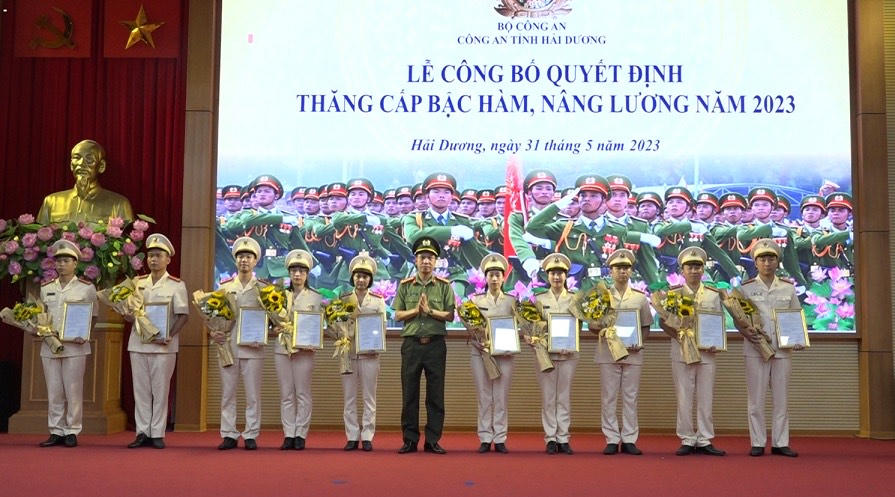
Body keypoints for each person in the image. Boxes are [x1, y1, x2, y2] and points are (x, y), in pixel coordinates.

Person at [735, 239, 803, 457]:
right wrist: (748, 333)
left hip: (783, 350)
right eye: (762, 259)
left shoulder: (788, 288)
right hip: (755, 350)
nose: (767, 263)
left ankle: (781, 442)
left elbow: (795, 315)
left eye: (771, 259)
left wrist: (798, 339)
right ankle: (757, 441)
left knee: (781, 399)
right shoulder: (745, 289)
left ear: (777, 261)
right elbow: (739, 319)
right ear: (756, 263)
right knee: (756, 399)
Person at [393, 236, 456, 454]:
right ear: (416, 260)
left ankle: (432, 440)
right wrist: (416, 311)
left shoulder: (444, 286)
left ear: (436, 261)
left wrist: (430, 311)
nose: (426, 261)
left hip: (435, 345)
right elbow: (397, 314)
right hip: (411, 345)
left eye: (430, 258)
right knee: (409, 394)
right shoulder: (405, 286)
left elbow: (450, 315)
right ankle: (410, 440)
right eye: (422, 257)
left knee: (435, 395)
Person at [660, 247, 725, 456]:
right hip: (681, 353)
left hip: (707, 352)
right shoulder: (674, 294)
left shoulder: (713, 294)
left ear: (703, 269)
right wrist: (679, 336)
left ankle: (705, 438)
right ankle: (687, 438)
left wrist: (716, 341)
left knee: (706, 397)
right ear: (682, 270)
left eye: (698, 267)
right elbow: (663, 322)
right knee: (684, 396)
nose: (694, 271)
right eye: (690, 267)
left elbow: (718, 322)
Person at [126, 234, 189, 449]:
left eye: (158, 255)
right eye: (150, 256)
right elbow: (131, 314)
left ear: (168, 259)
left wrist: (170, 334)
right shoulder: (137, 283)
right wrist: (127, 314)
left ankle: (157, 433)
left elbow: (183, 315)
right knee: (140, 390)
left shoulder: (176, 285)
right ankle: (142, 432)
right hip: (139, 344)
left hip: (164, 346)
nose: (153, 259)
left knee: (160, 391)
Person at [35, 239, 99, 447]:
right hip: (50, 346)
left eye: (66, 261)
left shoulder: (86, 288)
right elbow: (40, 315)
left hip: (75, 346)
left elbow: (93, 316)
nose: (61, 264)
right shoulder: (46, 288)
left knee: (73, 390)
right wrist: (38, 328)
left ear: (75, 263)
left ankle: (72, 429)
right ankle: (56, 430)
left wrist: (85, 333)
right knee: (54, 390)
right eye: (58, 261)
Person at [213, 237, 267, 450]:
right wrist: (214, 332)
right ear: (235, 260)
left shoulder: (264, 289)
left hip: (253, 348)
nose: (244, 260)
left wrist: (266, 331)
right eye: (241, 257)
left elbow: (271, 318)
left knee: (253, 394)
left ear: (255, 261)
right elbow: (214, 316)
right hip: (228, 347)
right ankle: (228, 433)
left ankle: (251, 434)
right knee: (228, 393)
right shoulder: (224, 287)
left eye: (248, 257)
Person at [596, 249, 651, 456]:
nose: (622, 271)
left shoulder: (640, 298)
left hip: (633, 353)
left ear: (631, 271)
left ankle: (629, 439)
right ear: (610, 271)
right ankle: (611, 438)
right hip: (607, 353)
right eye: (618, 268)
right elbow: (592, 325)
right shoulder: (601, 296)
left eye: (626, 268)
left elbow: (645, 326)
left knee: (630, 397)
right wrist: (603, 330)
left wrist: (639, 342)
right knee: (609, 397)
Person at [271, 249, 322, 450]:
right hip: (282, 349)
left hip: (304, 351)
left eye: (301, 271)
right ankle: (288, 434)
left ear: (307, 274)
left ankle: (300, 433)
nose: (297, 274)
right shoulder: (278, 295)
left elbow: (318, 325)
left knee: (302, 393)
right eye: (294, 271)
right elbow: (270, 322)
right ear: (289, 273)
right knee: (286, 393)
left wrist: (313, 340)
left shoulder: (315, 297)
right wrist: (274, 328)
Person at [340, 253, 387, 451]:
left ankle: (367, 435)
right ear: (352, 277)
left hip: (370, 354)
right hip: (348, 354)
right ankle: (352, 436)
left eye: (365, 276)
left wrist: (375, 342)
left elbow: (382, 327)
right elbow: (336, 325)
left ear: (370, 279)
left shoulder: (378, 301)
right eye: (358, 276)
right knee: (349, 397)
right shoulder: (344, 299)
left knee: (369, 397)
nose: (361, 280)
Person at [532, 253, 578, 455]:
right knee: (549, 397)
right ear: (547, 276)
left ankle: (564, 438)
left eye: (560, 273)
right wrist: (533, 338)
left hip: (568, 354)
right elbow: (534, 326)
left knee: (564, 396)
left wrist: (571, 342)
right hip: (546, 355)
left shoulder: (575, 299)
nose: (557, 277)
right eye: (552, 273)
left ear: (566, 275)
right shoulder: (539, 299)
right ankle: (551, 437)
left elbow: (578, 326)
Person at [469, 254, 515, 454]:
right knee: (484, 395)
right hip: (480, 354)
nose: (495, 279)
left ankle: (500, 438)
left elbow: (520, 326)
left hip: (505, 354)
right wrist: (477, 339)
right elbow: (471, 326)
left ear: (503, 278)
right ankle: (485, 437)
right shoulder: (476, 301)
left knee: (501, 396)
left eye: (498, 275)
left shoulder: (512, 301)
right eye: (491, 275)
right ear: (485, 278)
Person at [37, 140, 134, 224]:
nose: (81, 164)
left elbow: (127, 237)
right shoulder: (51, 202)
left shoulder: (119, 204)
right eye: (77, 158)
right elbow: (40, 236)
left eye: (89, 159)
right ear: (71, 165)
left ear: (101, 166)